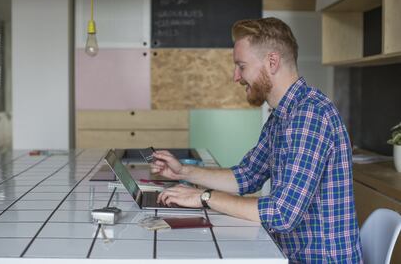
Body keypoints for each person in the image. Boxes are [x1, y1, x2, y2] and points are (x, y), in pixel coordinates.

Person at [151, 17, 363, 263]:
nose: (236, 77)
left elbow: (282, 214)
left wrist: (204, 197)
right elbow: (246, 176)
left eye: (241, 66)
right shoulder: (282, 117)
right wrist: (183, 172)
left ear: (271, 62)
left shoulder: (309, 115)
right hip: (289, 254)